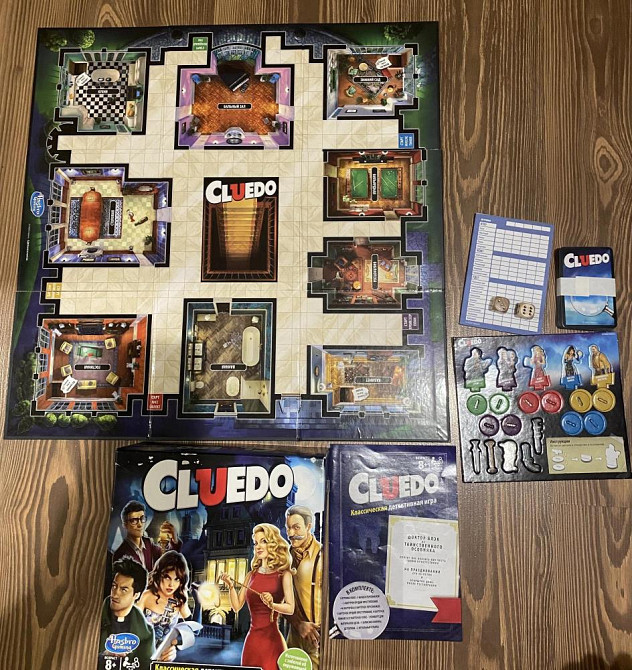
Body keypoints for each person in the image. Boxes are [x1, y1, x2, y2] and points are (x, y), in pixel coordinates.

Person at [220, 523, 295, 670]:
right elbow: (236, 606)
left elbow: (290, 608)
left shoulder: (284, 574)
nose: (258, 546)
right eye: (255, 543)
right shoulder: (251, 575)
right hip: (252, 641)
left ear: (273, 544)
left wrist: (272, 605)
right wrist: (230, 586)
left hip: (272, 641)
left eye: (263, 541)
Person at [99, 557, 176, 667]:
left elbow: (147, 666)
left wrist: (162, 660)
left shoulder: (146, 633)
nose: (115, 594)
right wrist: (103, 658)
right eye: (114, 586)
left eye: (123, 590)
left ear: (136, 595)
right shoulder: (94, 617)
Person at [284, 505, 322, 670]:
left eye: (296, 527)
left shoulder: (324, 556)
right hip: (294, 638)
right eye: (288, 528)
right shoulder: (284, 558)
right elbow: (279, 600)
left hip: (317, 640)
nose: (291, 533)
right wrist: (298, 624)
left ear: (308, 526)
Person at [137, 551, 192, 646]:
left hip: (167, 651)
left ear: (181, 582)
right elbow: (132, 625)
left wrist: (176, 641)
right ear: (159, 576)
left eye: (177, 579)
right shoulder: (146, 596)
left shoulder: (180, 600)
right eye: (167, 577)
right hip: (143, 648)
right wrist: (149, 632)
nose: (171, 584)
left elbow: (192, 631)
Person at [113, 500, 181, 571]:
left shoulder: (148, 543)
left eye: (142, 519)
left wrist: (174, 540)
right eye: (134, 521)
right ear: (125, 525)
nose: (140, 524)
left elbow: (166, 559)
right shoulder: (120, 554)